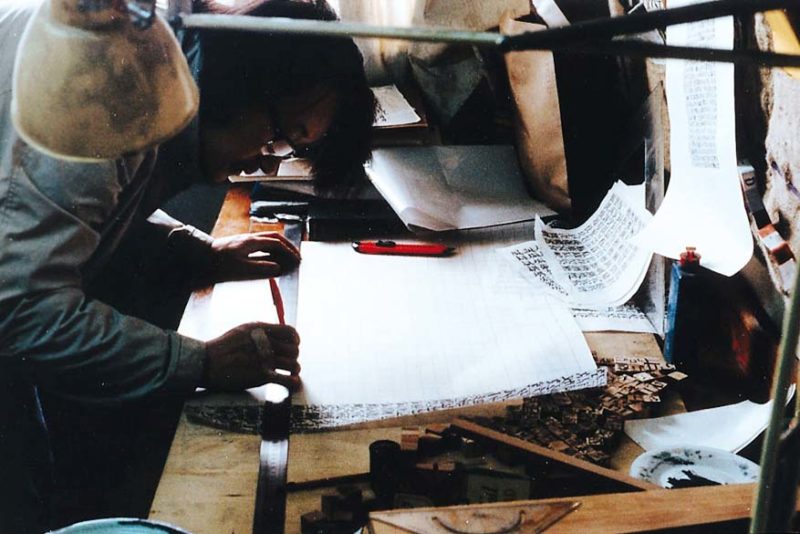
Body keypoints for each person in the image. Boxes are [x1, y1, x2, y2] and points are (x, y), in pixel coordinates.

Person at [0, 0, 377, 530]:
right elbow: (24, 310)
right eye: (277, 137)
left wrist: (192, 249)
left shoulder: (163, 73)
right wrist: (199, 362)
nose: (268, 163)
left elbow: (84, 213)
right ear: (246, 81)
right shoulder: (107, 83)